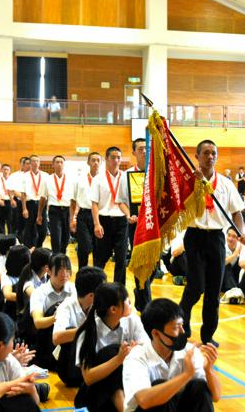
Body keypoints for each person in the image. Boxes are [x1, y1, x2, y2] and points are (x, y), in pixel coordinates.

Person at [178, 139, 245, 347]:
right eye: (205, 153)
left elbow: (237, 212)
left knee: (214, 292)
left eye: (213, 153)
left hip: (217, 238)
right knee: (196, 286)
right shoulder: (189, 181)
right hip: (195, 236)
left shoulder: (225, 184)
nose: (210, 157)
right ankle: (182, 320)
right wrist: (195, 186)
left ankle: (208, 336)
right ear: (197, 157)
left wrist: (240, 233)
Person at [122, 298, 220, 412]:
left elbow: (216, 396)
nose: (183, 332)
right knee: (159, 386)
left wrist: (209, 371)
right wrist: (186, 375)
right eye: (176, 327)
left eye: (182, 325)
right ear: (156, 333)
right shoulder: (136, 357)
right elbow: (144, 400)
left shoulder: (189, 352)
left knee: (199, 386)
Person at [74, 282, 149, 411]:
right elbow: (88, 378)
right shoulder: (88, 332)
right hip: (97, 395)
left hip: (128, 385)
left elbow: (147, 349)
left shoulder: (133, 320)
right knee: (109, 353)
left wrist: (135, 350)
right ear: (113, 309)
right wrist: (119, 358)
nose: (130, 302)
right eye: (126, 299)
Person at [54, 266, 106, 387]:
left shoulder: (101, 305)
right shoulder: (67, 306)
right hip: (70, 366)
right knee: (71, 331)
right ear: (92, 295)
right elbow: (56, 338)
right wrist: (87, 327)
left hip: (94, 360)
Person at [117, 138, 153, 311]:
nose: (144, 152)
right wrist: (128, 215)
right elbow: (121, 201)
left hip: (154, 225)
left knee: (153, 265)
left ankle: (140, 292)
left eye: (146, 149)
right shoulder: (127, 175)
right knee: (140, 263)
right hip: (135, 224)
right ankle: (147, 303)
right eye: (140, 149)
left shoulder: (156, 173)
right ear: (134, 153)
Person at [30, 253, 76, 370]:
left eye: (67, 269)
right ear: (48, 271)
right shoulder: (39, 292)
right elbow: (38, 322)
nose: (65, 274)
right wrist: (57, 316)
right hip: (47, 339)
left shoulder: (73, 289)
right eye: (60, 269)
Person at [91, 146, 128, 285]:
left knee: (121, 258)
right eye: (113, 157)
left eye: (119, 157)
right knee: (101, 258)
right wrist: (96, 224)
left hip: (121, 221)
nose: (116, 160)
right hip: (104, 221)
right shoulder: (98, 179)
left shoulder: (125, 177)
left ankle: (119, 289)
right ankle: (96, 286)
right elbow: (94, 203)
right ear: (106, 159)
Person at [38, 155, 74, 254]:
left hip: (67, 210)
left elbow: (74, 199)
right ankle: (55, 257)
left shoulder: (71, 180)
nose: (59, 164)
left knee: (66, 237)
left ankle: (62, 255)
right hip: (54, 210)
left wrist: (73, 216)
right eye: (57, 162)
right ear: (53, 165)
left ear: (64, 164)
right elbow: (43, 198)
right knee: (56, 236)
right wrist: (39, 214)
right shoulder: (47, 179)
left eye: (61, 162)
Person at [71, 152, 100, 269]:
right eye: (93, 160)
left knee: (98, 248)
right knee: (85, 246)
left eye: (98, 160)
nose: (96, 162)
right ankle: (82, 272)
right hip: (84, 214)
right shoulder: (79, 179)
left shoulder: (103, 179)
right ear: (88, 162)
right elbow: (73, 201)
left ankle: (97, 275)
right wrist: (72, 219)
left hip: (98, 215)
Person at [22, 155, 49, 248]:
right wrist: (24, 208)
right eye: (33, 161)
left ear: (39, 163)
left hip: (41, 204)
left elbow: (48, 193)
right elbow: (23, 194)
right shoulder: (25, 176)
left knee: (43, 229)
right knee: (29, 228)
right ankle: (28, 249)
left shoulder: (45, 175)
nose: (35, 163)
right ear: (30, 163)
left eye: (37, 161)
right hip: (30, 204)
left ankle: (38, 246)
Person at [7, 156, 30, 239]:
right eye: (25, 163)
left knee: (28, 223)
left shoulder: (32, 175)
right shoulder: (15, 175)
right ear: (21, 164)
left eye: (28, 163)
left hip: (30, 202)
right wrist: (13, 199)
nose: (27, 165)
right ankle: (16, 240)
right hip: (19, 201)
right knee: (17, 222)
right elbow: (11, 189)